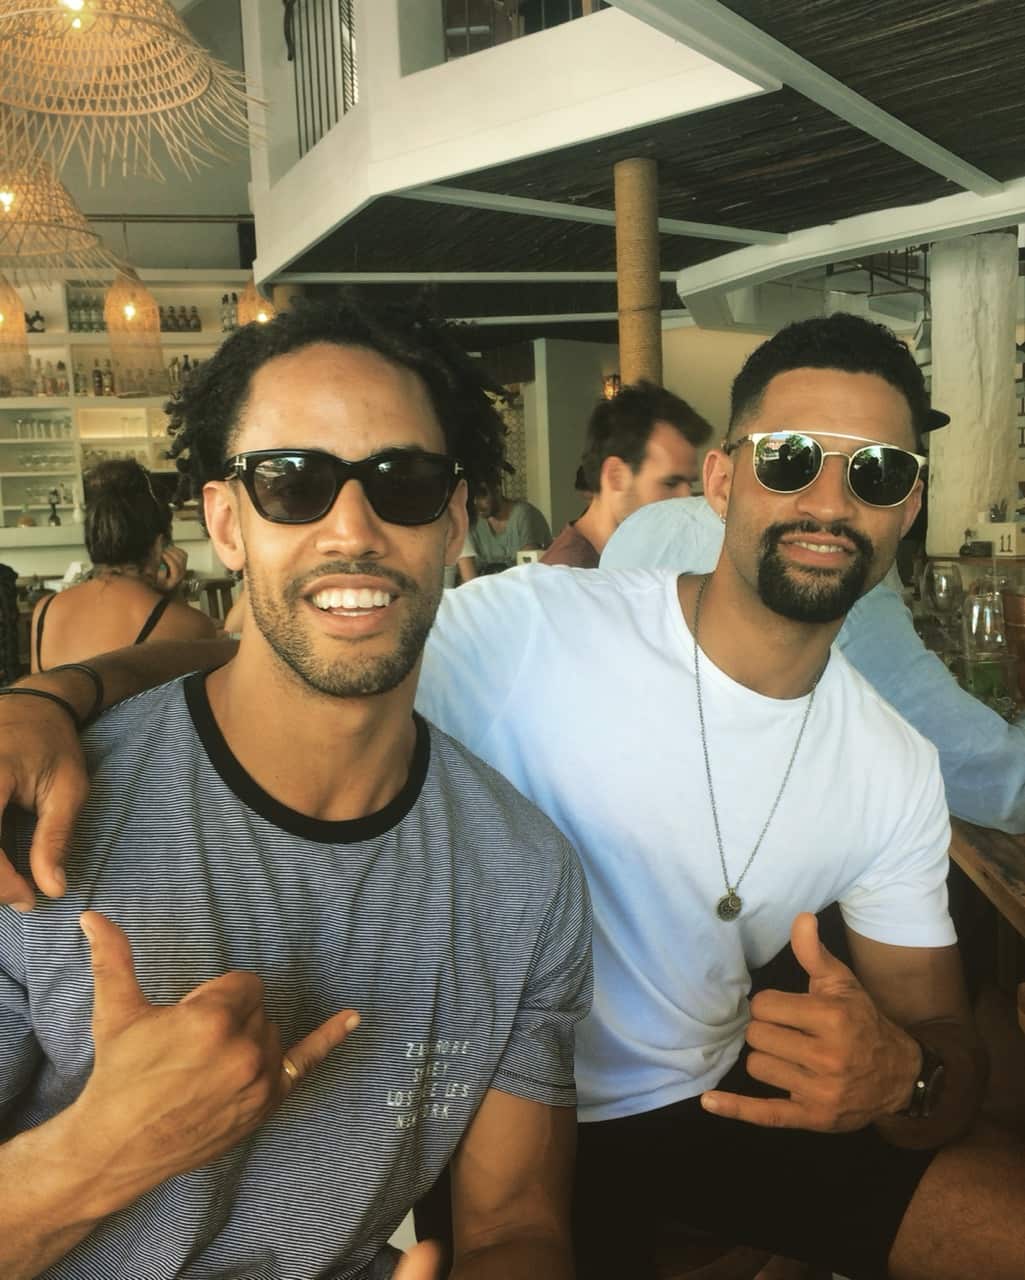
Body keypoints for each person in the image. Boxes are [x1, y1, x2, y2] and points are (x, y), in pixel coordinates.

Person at [4, 314, 1025, 1280]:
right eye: (791, 457)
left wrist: (905, 1079)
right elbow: (277, 654)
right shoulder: (531, 626)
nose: (828, 501)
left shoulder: (546, 863)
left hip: (696, 1101)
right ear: (723, 478)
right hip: (487, 1121)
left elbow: (942, 1049)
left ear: (908, 505)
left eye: (877, 472)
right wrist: (57, 694)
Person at [0, 299, 591, 1280]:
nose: (350, 528)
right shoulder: (44, 818)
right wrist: (100, 1153)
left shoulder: (523, 877)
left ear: (452, 524)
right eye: (293, 482)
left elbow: (515, 1226)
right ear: (226, 522)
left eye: (400, 480)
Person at [599, 481, 1025, 836]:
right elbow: (998, 784)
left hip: (602, 867)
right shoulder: (831, 576)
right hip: (780, 895)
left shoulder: (645, 526)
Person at [30, 459, 218, 671]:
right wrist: (174, 598)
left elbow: (40, 697)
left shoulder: (45, 611)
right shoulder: (189, 626)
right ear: (159, 545)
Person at [541, 380, 711, 567]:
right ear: (616, 476)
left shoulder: (646, 558)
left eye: (690, 484)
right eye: (670, 483)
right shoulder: (570, 580)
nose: (686, 498)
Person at [469, 479, 551, 571]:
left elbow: (529, 570)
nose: (475, 502)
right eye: (471, 496)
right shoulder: (474, 522)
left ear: (497, 490)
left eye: (481, 495)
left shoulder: (524, 515)